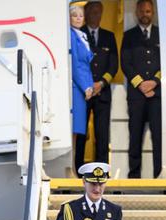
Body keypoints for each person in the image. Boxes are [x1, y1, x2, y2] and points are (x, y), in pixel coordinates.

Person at [120, 0, 161, 178]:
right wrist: (141, 84)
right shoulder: (129, 36)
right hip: (136, 95)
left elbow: (165, 61)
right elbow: (125, 63)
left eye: (149, 11)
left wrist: (154, 82)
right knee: (135, 137)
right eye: (143, 11)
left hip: (157, 95)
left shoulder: (161, 34)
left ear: (152, 13)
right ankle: (133, 177)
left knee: (158, 138)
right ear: (137, 13)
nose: (146, 14)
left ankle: (160, 176)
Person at [82, 1, 117, 166]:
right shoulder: (77, 34)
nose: (96, 16)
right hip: (83, 93)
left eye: (99, 12)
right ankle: (79, 169)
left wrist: (101, 83)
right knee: (81, 134)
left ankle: (101, 171)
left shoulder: (108, 37)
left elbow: (113, 65)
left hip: (102, 93)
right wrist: (88, 84)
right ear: (86, 13)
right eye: (93, 12)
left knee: (102, 135)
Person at [70, 5, 94, 172]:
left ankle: (74, 166)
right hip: (76, 87)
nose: (78, 18)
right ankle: (71, 166)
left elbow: (86, 65)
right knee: (74, 129)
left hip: (85, 85)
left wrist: (90, 85)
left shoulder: (83, 35)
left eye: (80, 15)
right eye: (74, 15)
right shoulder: (70, 35)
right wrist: (86, 86)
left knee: (80, 131)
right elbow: (75, 65)